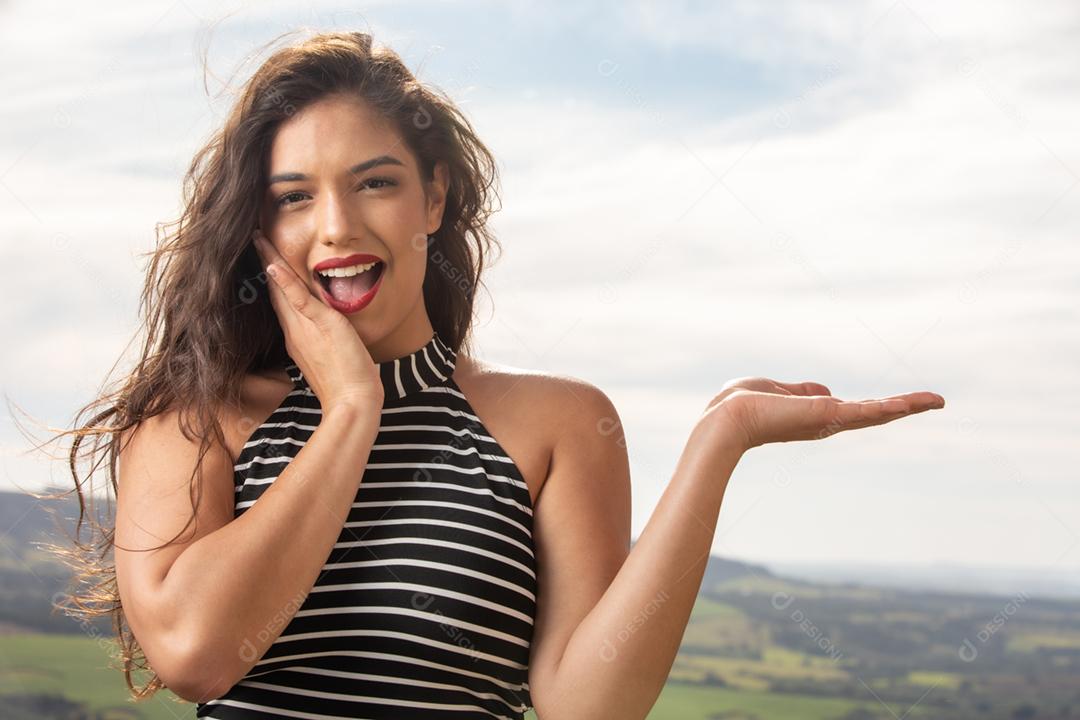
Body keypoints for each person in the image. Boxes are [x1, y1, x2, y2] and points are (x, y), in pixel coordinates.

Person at [48, 29, 944, 720]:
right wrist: (352, 409)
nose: (335, 227)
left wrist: (719, 444)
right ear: (258, 226)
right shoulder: (194, 417)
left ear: (433, 199)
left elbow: (586, 704)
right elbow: (199, 654)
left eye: (375, 183)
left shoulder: (557, 426)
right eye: (293, 197)